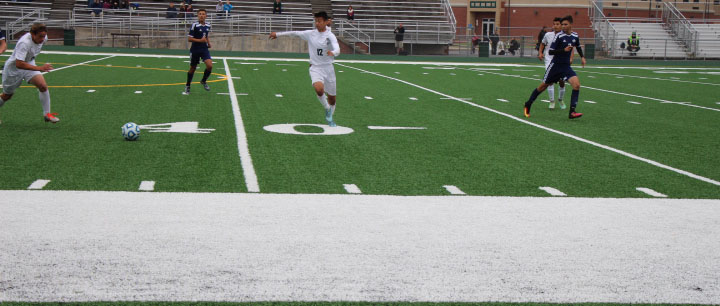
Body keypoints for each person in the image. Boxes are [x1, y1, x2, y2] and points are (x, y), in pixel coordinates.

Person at [269, 11, 340, 127]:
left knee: (332, 99)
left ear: (325, 22)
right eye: (315, 21)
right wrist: (278, 34)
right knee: (319, 89)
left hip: (329, 68)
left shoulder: (330, 35)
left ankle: (330, 116)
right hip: (315, 67)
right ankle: (327, 108)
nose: (317, 23)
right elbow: (295, 33)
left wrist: (333, 52)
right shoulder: (310, 34)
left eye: (319, 21)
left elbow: (337, 48)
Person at [523, 15, 586, 120]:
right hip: (555, 66)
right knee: (543, 86)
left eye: (565, 24)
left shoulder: (575, 35)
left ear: (571, 24)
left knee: (576, 85)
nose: (563, 26)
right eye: (562, 25)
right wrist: (564, 50)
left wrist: (582, 57)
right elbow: (551, 51)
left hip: (566, 67)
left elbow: (578, 46)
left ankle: (572, 112)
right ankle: (528, 104)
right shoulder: (559, 36)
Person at [1, 23, 60, 124]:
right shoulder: (24, 43)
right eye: (40, 36)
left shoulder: (43, 38)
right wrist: (39, 68)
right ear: (32, 34)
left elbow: (26, 62)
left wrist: (36, 68)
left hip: (29, 63)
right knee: (7, 95)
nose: (42, 39)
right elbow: (19, 63)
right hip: (13, 69)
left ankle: (47, 114)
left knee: (42, 86)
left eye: (44, 36)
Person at [538, 17, 567, 110]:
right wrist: (540, 53)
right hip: (549, 60)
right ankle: (551, 101)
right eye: (554, 24)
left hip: (561, 60)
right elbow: (542, 44)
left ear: (561, 25)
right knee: (549, 81)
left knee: (562, 82)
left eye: (557, 24)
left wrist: (570, 58)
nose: (555, 26)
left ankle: (560, 99)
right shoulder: (548, 35)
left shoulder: (565, 36)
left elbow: (570, 48)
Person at [184, 9, 213, 95]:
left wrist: (208, 43)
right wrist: (200, 40)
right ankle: (188, 85)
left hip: (204, 49)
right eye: (200, 14)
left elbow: (206, 36)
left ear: (206, 16)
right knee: (193, 68)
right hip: (195, 49)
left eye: (203, 14)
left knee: (210, 65)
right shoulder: (194, 25)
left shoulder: (208, 25)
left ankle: (203, 81)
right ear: (197, 15)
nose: (201, 15)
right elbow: (189, 39)